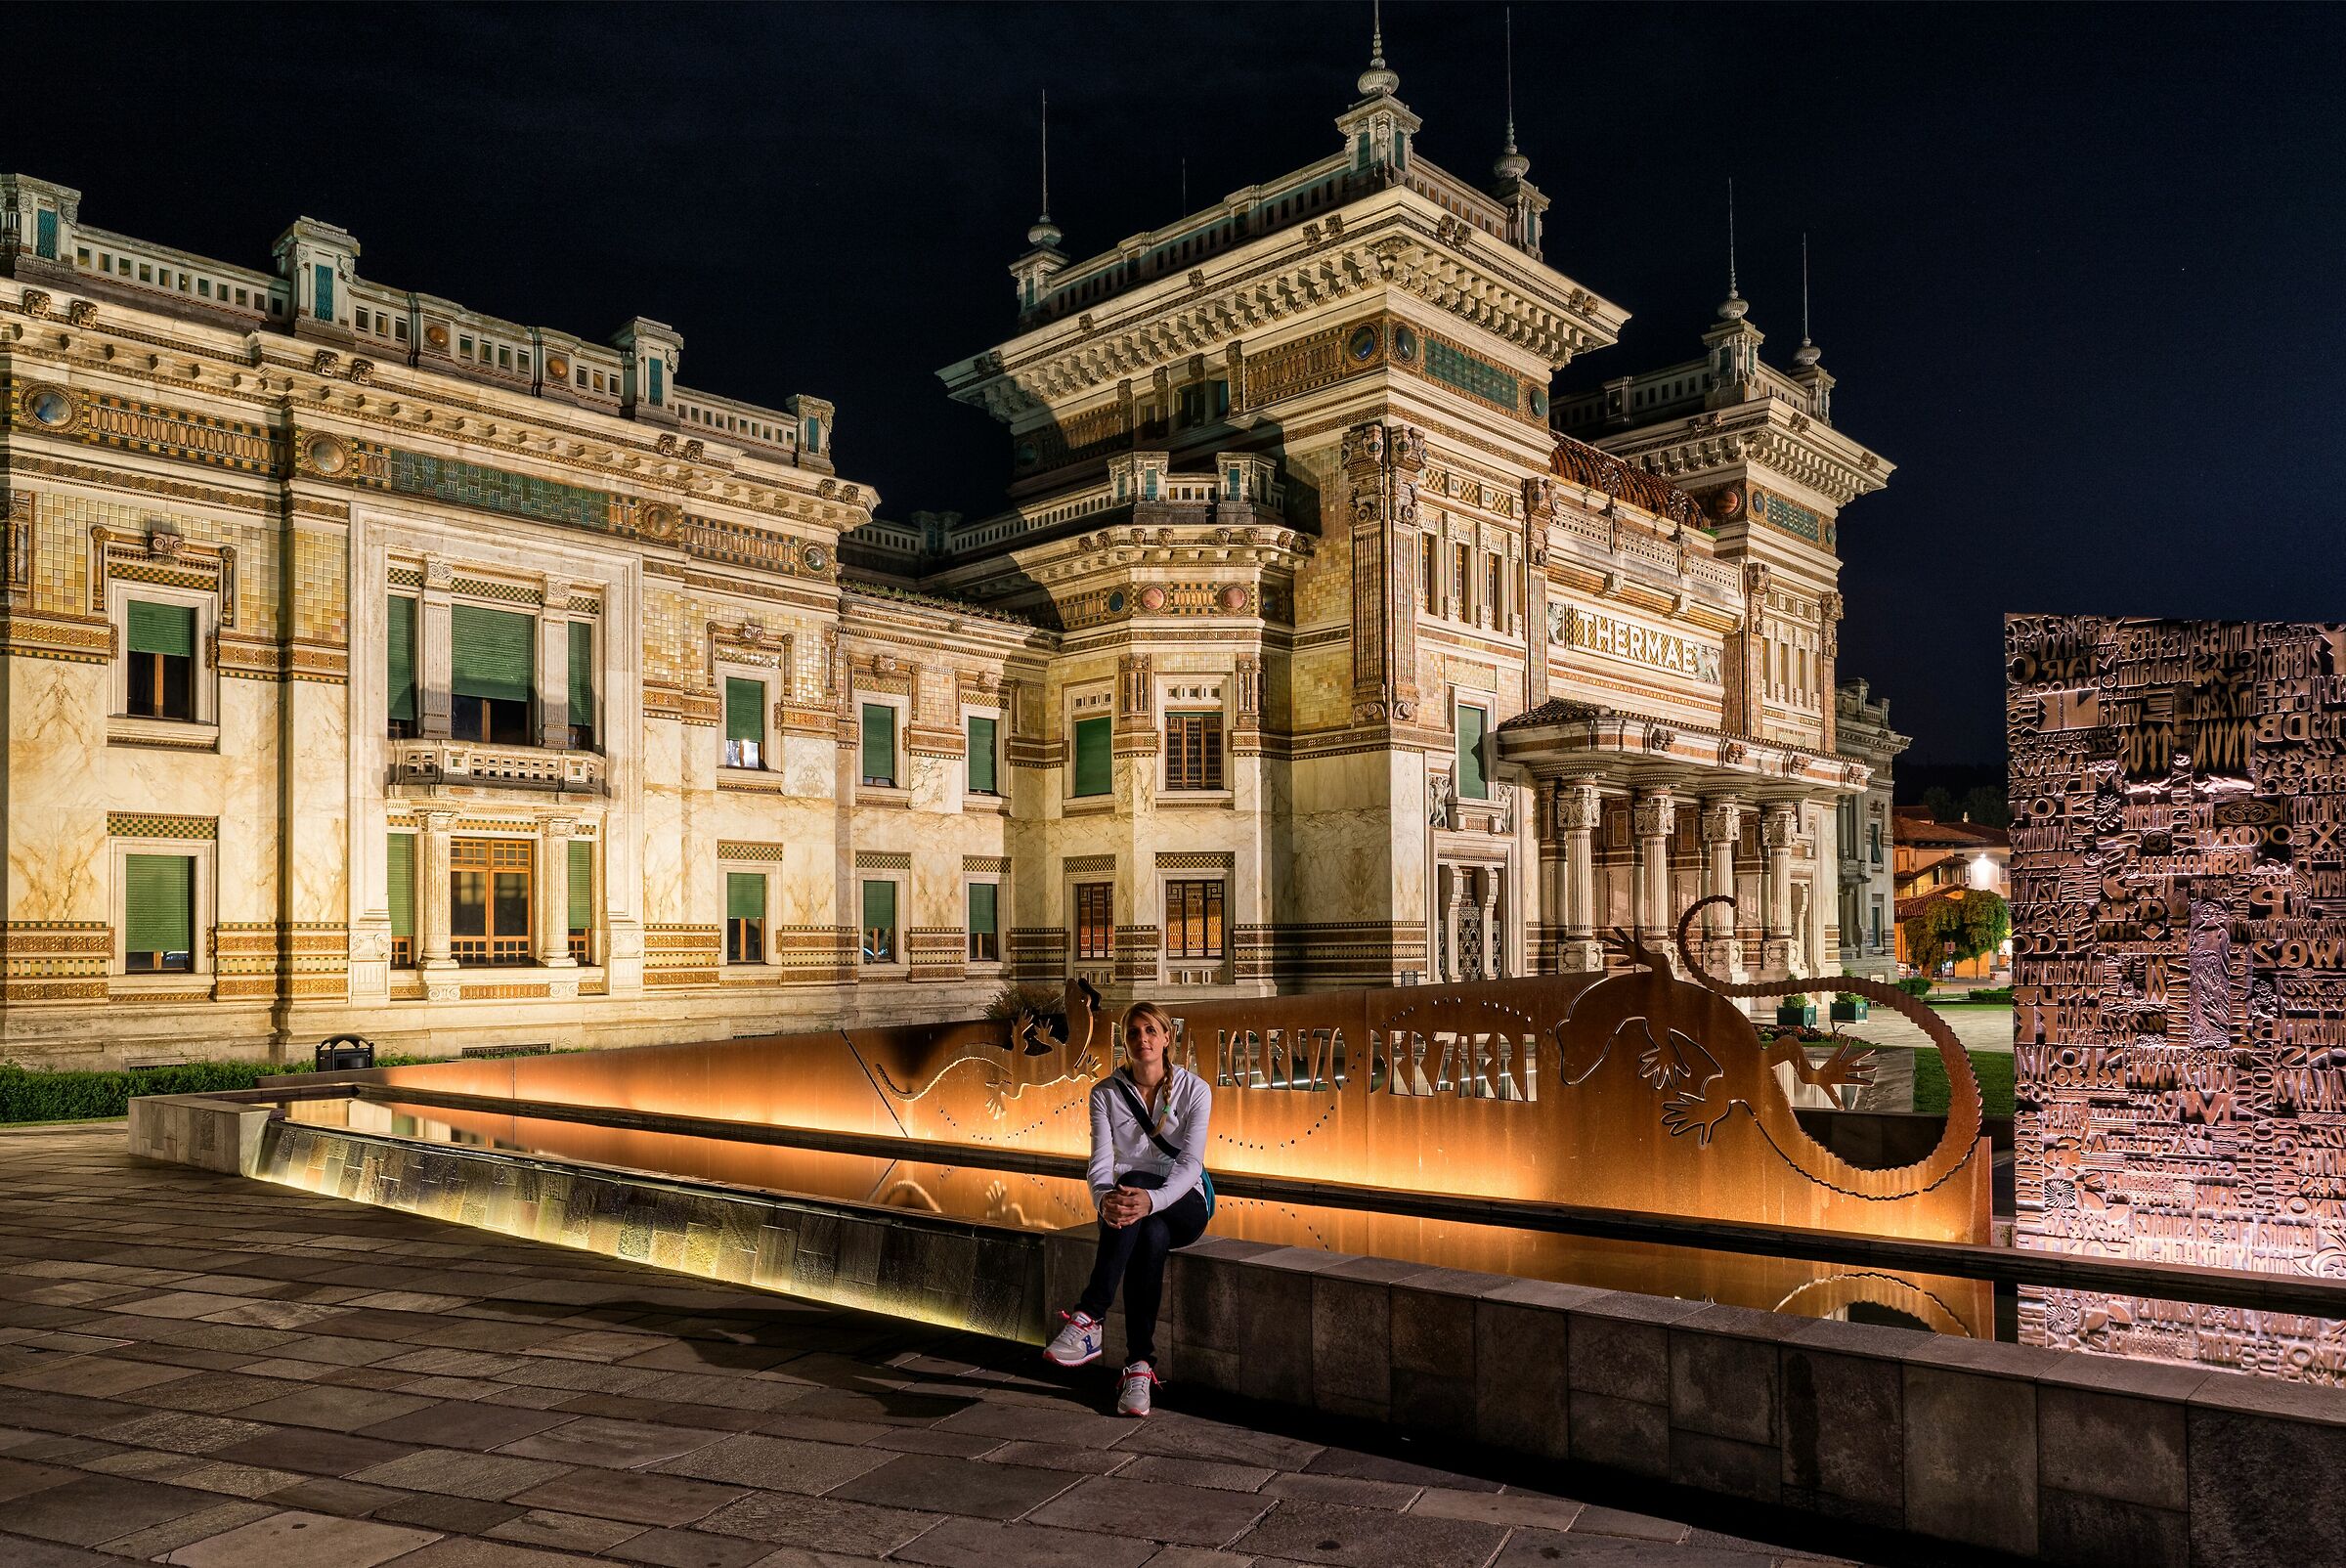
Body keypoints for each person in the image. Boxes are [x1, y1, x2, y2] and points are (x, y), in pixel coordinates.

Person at [1042, 999, 1213, 1416]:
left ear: (1167, 1037)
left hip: (1186, 1204)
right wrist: (1103, 1203)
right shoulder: (1105, 1094)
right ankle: (1139, 1370)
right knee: (1150, 1236)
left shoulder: (1195, 1090)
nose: (1143, 1040)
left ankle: (1089, 1316)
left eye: (1151, 1031)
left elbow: (1190, 1166)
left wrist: (1150, 1197)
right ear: (1124, 1041)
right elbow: (1099, 1165)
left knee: (1135, 1185)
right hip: (1136, 1212)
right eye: (1134, 1033)